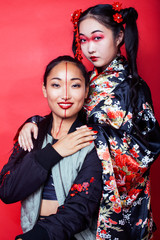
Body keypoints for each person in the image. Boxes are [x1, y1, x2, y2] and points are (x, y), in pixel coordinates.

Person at [10, 3, 160, 240]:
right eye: (84, 40)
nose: (90, 48)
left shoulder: (134, 87)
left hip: (114, 203)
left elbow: (148, 147)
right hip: (75, 193)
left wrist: (93, 134)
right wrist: (35, 122)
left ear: (119, 35)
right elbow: (65, 115)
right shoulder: (85, 80)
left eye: (97, 38)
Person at [0, 55, 103, 240]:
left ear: (87, 90)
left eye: (75, 85)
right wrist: (53, 152)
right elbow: (7, 191)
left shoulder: (93, 141)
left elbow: (80, 209)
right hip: (32, 230)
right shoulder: (32, 133)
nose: (65, 94)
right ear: (44, 89)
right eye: (56, 85)